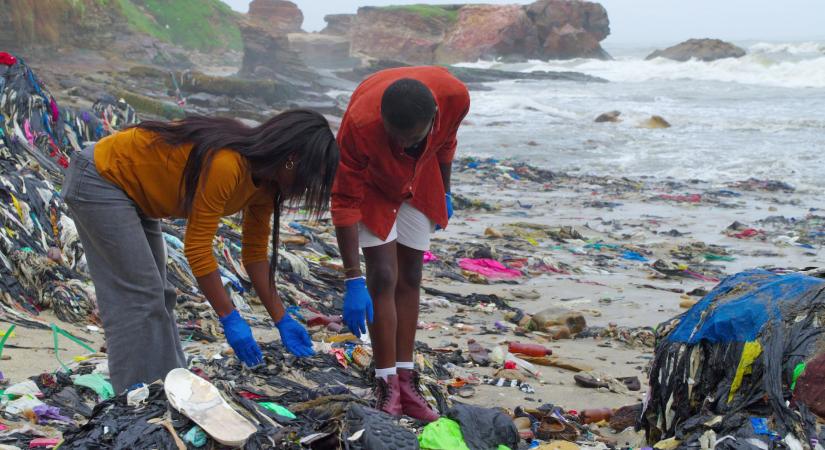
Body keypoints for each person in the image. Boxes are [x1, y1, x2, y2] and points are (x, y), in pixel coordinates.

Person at [62, 110, 339, 393]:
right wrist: (229, 318)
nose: (307, 188)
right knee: (140, 299)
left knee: (161, 296)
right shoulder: (228, 164)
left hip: (136, 193)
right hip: (101, 179)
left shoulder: (267, 186)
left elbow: (255, 254)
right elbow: (197, 248)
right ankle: (132, 397)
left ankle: (170, 385)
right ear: (292, 160)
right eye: (311, 176)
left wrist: (282, 318)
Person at [332, 67, 470, 421]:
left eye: (410, 138)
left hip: (421, 176)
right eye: (395, 137)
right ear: (383, 120)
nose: (401, 145)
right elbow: (345, 200)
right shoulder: (361, 126)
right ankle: (386, 384)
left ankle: (407, 381)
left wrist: (446, 189)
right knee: (382, 275)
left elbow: (447, 144)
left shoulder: (455, 99)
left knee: (411, 274)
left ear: (432, 119)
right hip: (374, 184)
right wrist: (352, 279)